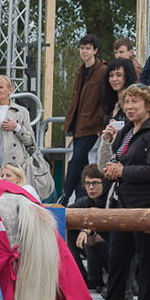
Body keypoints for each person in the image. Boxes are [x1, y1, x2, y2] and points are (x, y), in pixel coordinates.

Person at [100, 85, 150, 300]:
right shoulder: (126, 131)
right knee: (117, 264)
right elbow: (114, 161)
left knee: (148, 266)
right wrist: (108, 150)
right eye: (126, 102)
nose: (129, 106)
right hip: (122, 205)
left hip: (148, 206)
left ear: (148, 105)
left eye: (134, 102)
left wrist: (123, 172)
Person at [61, 35, 108, 203]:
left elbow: (104, 98)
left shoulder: (102, 71)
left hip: (92, 124)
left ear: (95, 50)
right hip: (78, 122)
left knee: (76, 160)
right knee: (80, 162)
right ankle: (82, 199)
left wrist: (100, 121)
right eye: (82, 48)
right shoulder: (80, 71)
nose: (84, 51)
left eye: (88, 48)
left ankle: (65, 196)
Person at [69, 165, 110, 293]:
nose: (91, 187)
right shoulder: (85, 201)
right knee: (69, 232)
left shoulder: (110, 201)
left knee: (91, 239)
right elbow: (66, 210)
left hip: (114, 253)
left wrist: (85, 231)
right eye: (87, 183)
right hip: (97, 251)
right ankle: (81, 276)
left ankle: (95, 279)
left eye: (95, 183)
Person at [95, 58, 139, 169]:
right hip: (110, 161)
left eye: (119, 75)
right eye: (111, 75)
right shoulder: (111, 105)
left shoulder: (135, 107)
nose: (114, 79)